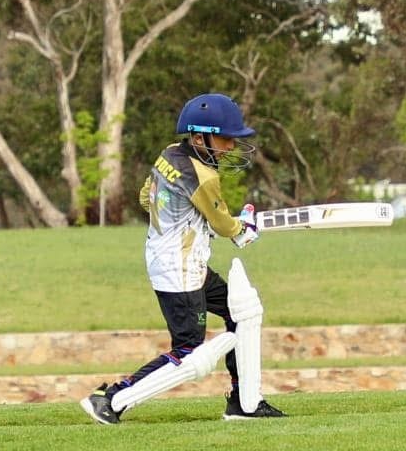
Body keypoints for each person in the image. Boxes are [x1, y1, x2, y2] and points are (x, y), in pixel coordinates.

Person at [81, 92, 285, 424]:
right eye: (225, 138)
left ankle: (245, 404)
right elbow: (223, 226)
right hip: (180, 271)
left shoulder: (169, 155)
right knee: (190, 352)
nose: (231, 147)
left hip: (182, 263)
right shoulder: (203, 176)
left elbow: (146, 197)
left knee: (243, 313)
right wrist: (243, 230)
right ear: (200, 135)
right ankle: (112, 399)